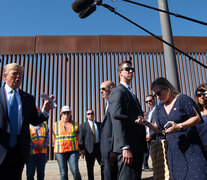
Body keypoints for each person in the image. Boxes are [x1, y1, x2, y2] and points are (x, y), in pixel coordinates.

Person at [136, 77, 207, 180]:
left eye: (159, 93)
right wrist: (146, 123)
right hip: (174, 152)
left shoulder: (182, 99)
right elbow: (158, 128)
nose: (158, 97)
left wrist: (179, 126)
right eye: (155, 95)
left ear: (166, 87)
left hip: (192, 149)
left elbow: (197, 118)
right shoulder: (159, 108)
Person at [0, 63, 53, 180]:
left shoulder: (28, 98)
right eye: (15, 74)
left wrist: (45, 111)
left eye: (20, 75)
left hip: (19, 150)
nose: (18, 77)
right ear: (5, 77)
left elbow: (34, 120)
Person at [108, 61, 147, 180]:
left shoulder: (131, 93)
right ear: (120, 72)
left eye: (132, 69)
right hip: (128, 147)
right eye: (127, 69)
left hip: (137, 146)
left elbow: (127, 117)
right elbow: (117, 119)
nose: (131, 71)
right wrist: (125, 147)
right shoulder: (117, 91)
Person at [53, 106, 81, 180]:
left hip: (72, 150)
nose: (66, 114)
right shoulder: (56, 125)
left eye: (68, 113)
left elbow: (77, 137)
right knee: (63, 172)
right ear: (61, 114)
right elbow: (54, 137)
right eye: (64, 113)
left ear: (70, 114)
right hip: (60, 151)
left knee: (75, 170)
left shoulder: (75, 124)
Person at [100, 80, 118, 180]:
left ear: (111, 88)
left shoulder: (115, 104)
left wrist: (113, 150)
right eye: (100, 89)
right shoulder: (107, 105)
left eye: (103, 89)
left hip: (112, 150)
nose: (100, 91)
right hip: (106, 151)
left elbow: (116, 128)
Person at [79, 109, 103, 180]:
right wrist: (82, 149)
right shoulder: (83, 126)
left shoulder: (99, 125)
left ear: (94, 114)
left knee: (103, 165)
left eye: (92, 113)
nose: (90, 115)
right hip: (89, 149)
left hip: (99, 148)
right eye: (88, 114)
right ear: (86, 116)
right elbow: (81, 138)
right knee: (90, 168)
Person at [26, 107, 49, 180]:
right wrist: (35, 146)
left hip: (42, 154)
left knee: (41, 175)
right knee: (30, 175)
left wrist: (42, 146)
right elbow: (26, 139)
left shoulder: (45, 125)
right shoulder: (27, 125)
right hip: (31, 154)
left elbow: (47, 138)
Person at [142, 95, 157, 172]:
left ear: (154, 100)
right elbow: (146, 126)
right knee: (147, 153)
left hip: (155, 137)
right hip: (147, 138)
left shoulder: (158, 110)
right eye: (147, 102)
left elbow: (157, 124)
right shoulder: (148, 113)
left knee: (156, 156)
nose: (149, 103)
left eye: (150, 101)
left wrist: (150, 135)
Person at [194, 83, 207, 155]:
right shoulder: (195, 114)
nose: (202, 97)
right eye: (199, 95)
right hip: (201, 152)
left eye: (204, 93)